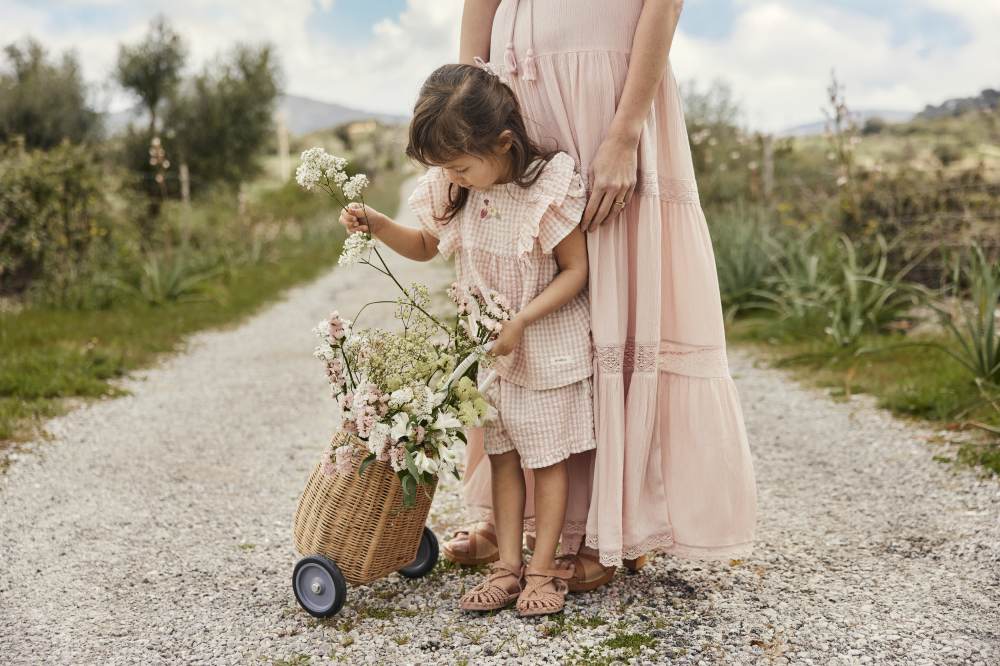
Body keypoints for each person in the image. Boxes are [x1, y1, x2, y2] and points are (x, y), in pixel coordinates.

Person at [444, 0, 758, 589]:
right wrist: (467, 110)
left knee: (611, 289)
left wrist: (626, 128)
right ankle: (503, 515)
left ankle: (605, 527)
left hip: (605, 90)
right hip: (514, 94)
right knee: (516, 299)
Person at [339, 63, 595, 616]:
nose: (452, 178)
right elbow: (428, 246)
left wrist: (523, 320)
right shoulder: (458, 192)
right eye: (444, 170)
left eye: (459, 166)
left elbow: (577, 270)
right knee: (503, 459)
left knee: (547, 461)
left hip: (544, 348)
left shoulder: (542, 192)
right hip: (492, 354)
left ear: (503, 143)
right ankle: (507, 565)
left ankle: (544, 569)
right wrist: (380, 225)